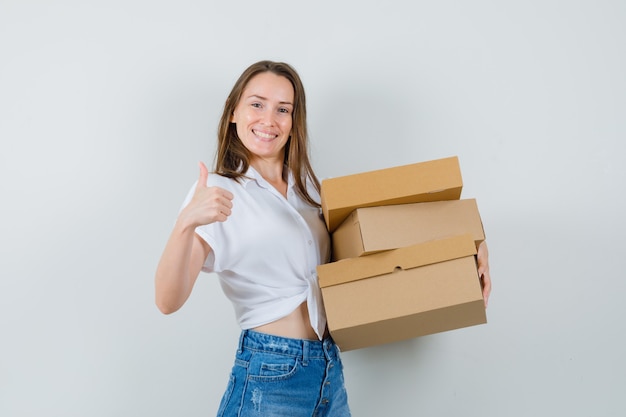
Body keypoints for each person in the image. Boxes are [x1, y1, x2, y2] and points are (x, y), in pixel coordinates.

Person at [154, 60, 492, 417]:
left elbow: (376, 247)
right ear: (234, 111)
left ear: (293, 122)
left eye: (283, 109)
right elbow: (167, 300)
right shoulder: (218, 191)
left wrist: (468, 245)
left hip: (328, 367)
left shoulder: (309, 190)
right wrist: (186, 223)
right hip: (271, 371)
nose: (269, 120)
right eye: (257, 104)